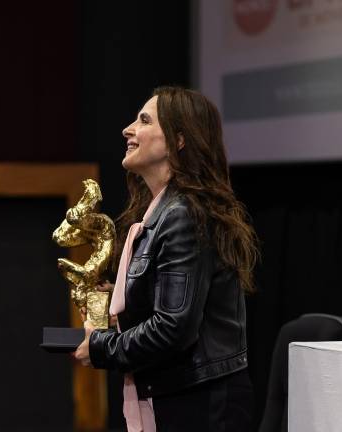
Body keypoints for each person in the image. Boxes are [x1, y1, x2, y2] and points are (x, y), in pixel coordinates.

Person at [72, 86, 259, 431]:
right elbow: (172, 308)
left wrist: (100, 348)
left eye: (144, 120)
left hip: (200, 405)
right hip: (182, 395)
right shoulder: (163, 211)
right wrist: (123, 308)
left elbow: (174, 328)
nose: (128, 129)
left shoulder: (182, 214)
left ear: (179, 140)